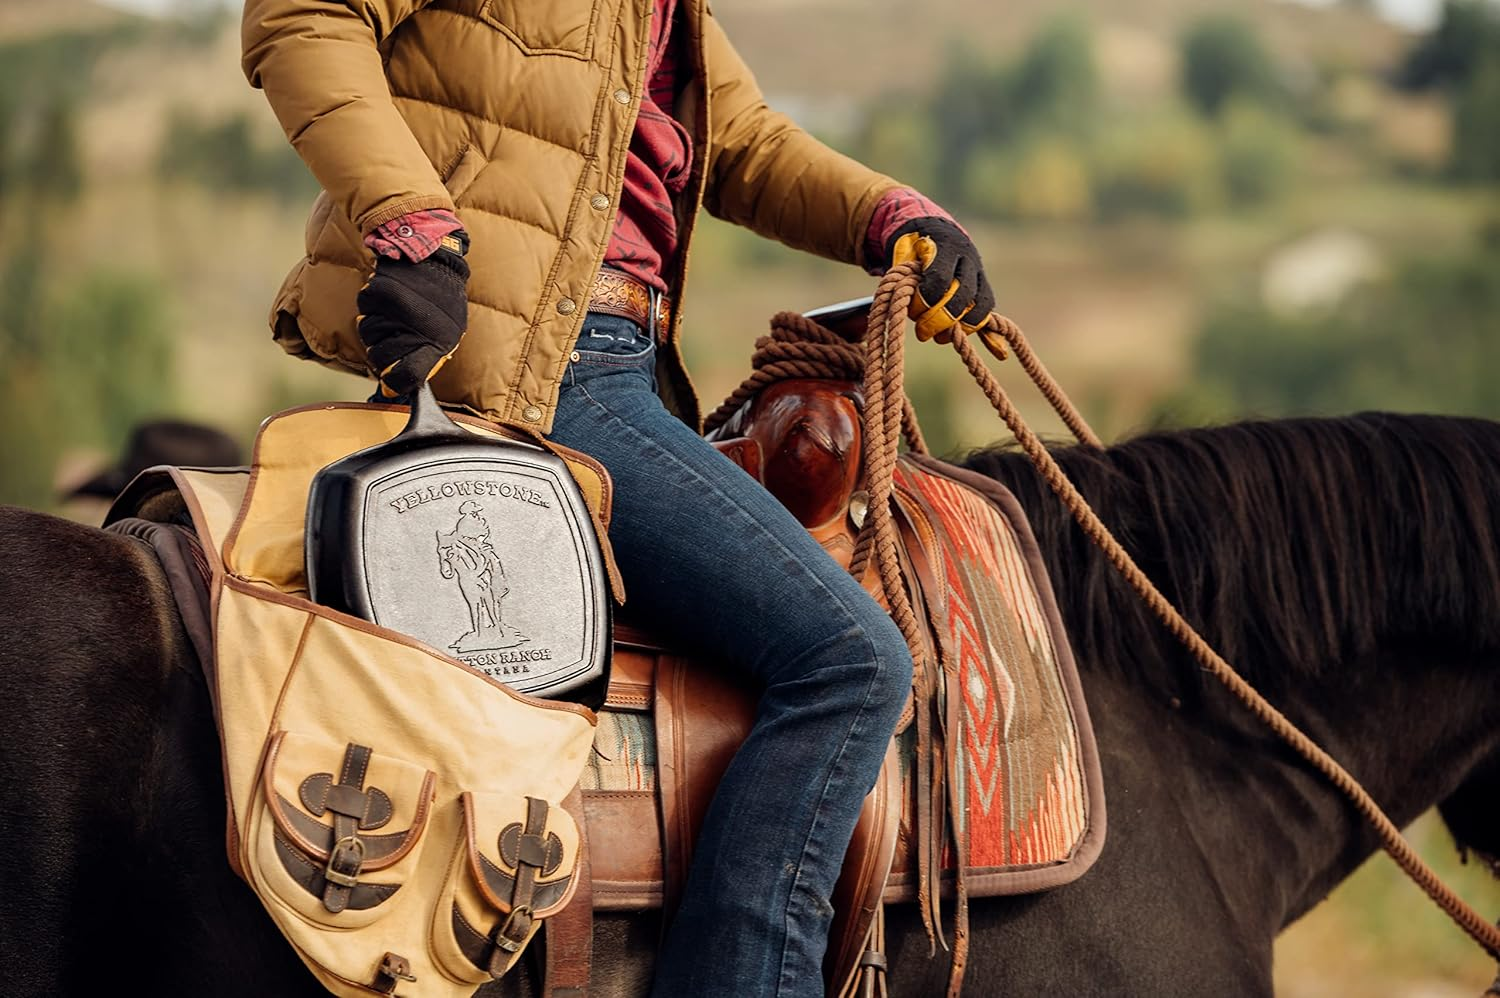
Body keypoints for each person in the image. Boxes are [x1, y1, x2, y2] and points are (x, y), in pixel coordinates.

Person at [241, 1, 995, 994]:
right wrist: (407, 216)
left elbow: (743, 145)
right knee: (851, 659)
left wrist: (890, 216)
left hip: (614, 368)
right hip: (548, 377)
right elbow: (303, 15)